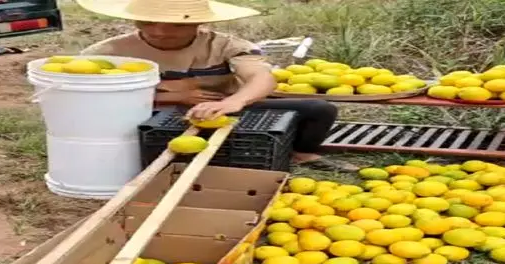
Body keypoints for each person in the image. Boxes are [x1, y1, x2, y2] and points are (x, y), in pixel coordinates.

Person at [77, 0, 338, 169]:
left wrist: (233, 102)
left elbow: (261, 78)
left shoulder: (225, 45)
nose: (159, 31)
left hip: (223, 112)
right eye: (147, 22)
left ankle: (299, 152)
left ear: (198, 22)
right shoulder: (107, 53)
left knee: (319, 109)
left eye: (175, 25)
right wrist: (170, 97)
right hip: (147, 115)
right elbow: (87, 99)